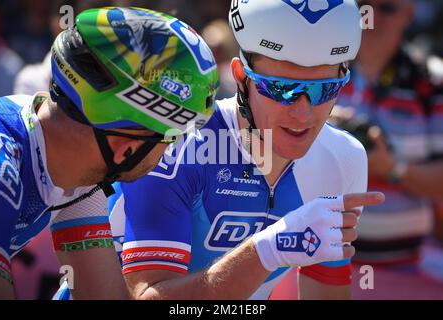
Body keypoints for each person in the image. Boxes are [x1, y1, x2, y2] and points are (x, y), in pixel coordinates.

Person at [85, 0, 385, 300]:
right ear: (241, 77)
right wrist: (268, 250)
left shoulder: (345, 159)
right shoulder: (178, 145)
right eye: (281, 89)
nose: (303, 113)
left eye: (325, 88)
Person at [0, 6, 219, 299]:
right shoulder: (0, 167)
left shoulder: (75, 171)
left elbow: (101, 294)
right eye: (173, 137)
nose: (173, 150)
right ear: (127, 146)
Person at [335, 0, 443, 265]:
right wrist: (319, 127)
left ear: (409, 13)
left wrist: (393, 169)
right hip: (321, 258)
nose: (369, 16)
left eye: (386, 8)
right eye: (362, 5)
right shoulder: (318, 71)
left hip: (408, 266)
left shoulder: (432, 81)